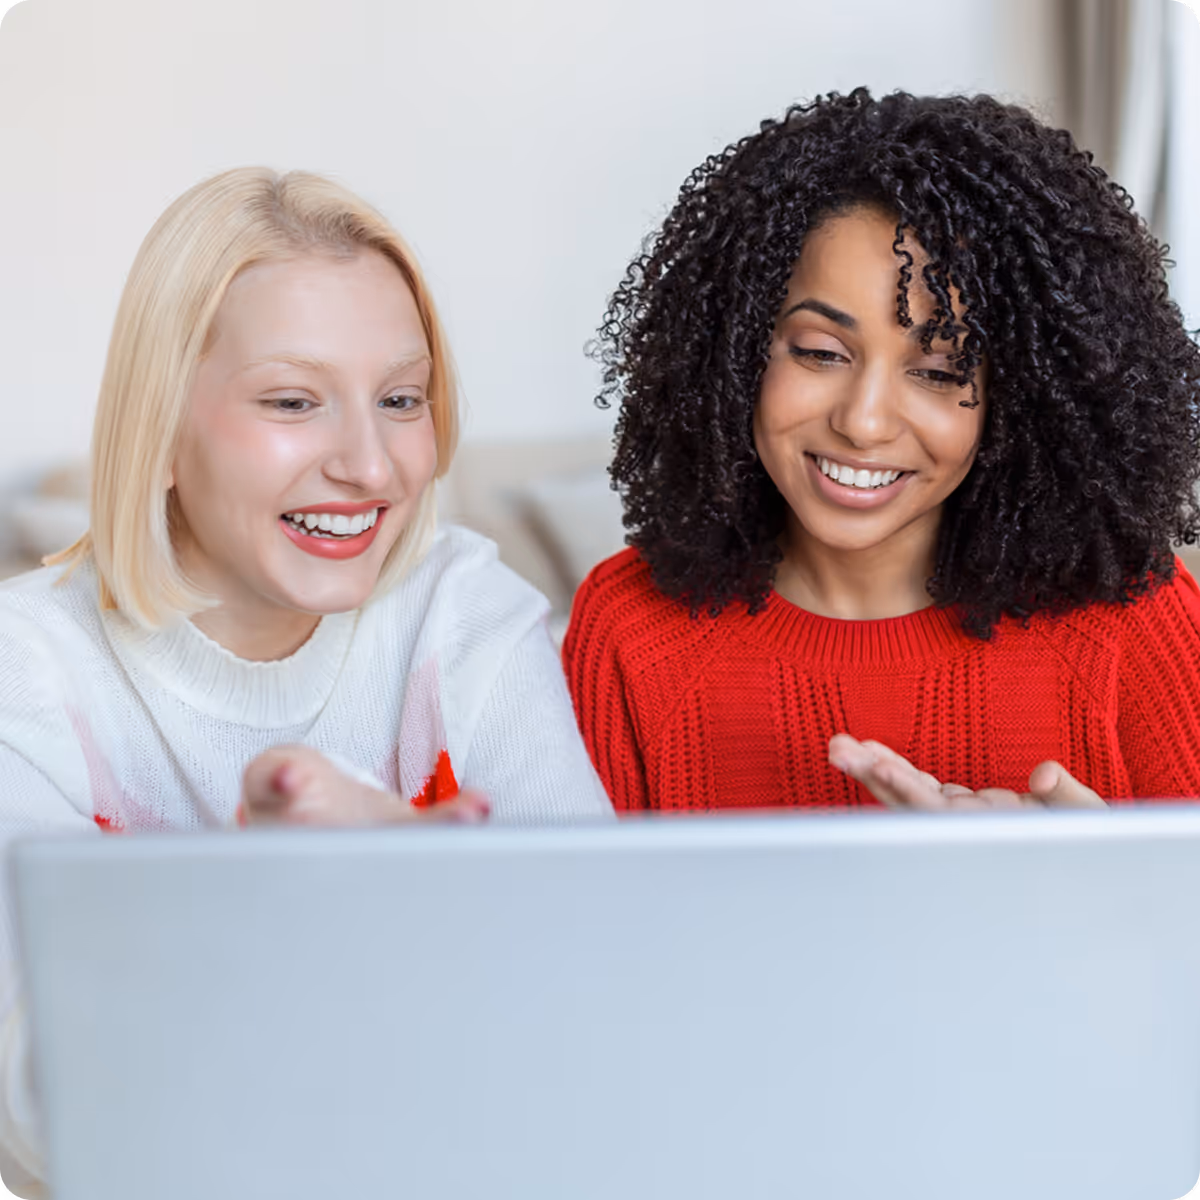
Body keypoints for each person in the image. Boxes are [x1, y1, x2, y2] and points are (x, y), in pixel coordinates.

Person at [0, 168, 611, 1198]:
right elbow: (36, 1119)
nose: (371, 467)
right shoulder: (27, 668)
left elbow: (597, 989)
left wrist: (396, 903)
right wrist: (271, 907)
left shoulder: (461, 608)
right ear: (160, 429)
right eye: (293, 401)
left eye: (401, 400)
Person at [564, 88, 1200, 813]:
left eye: (939, 372)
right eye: (819, 352)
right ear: (734, 355)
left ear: (1025, 397)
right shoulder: (630, 629)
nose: (863, 423)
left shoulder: (1133, 620)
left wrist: (1094, 871)